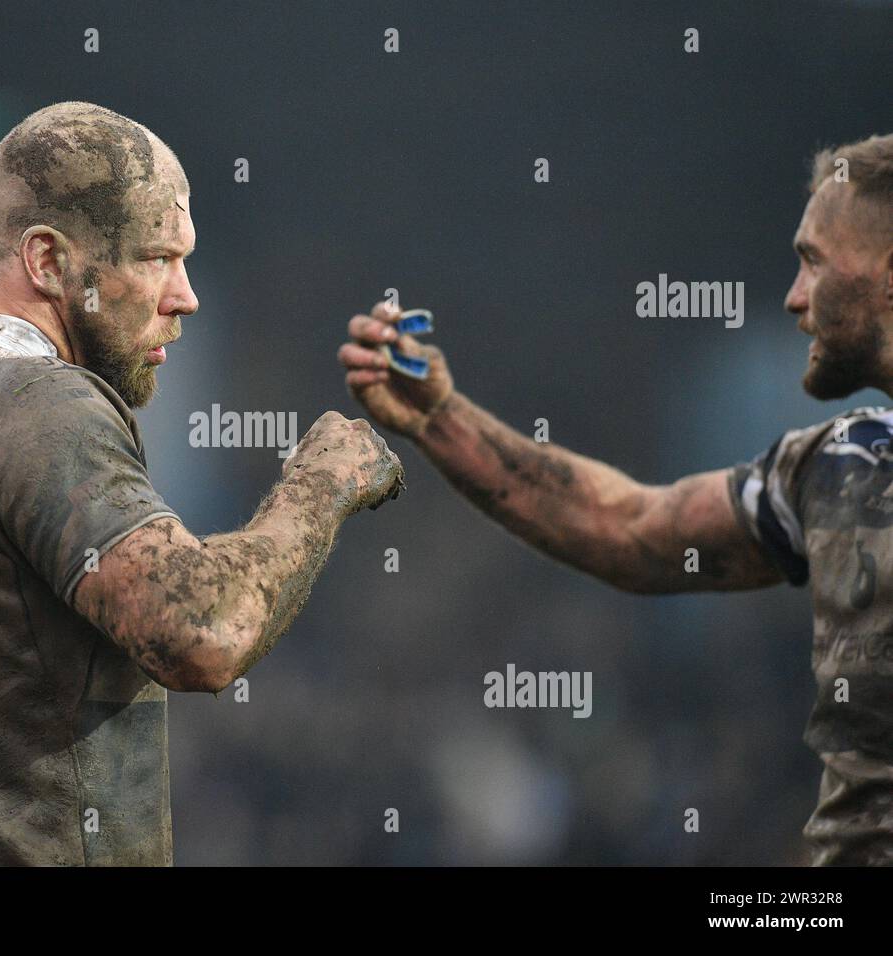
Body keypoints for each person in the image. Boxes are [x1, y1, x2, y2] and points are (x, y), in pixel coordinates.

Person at [0, 101, 403, 866]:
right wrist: (322, 482)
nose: (184, 296)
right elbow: (203, 633)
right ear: (47, 261)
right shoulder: (32, 399)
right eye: (157, 258)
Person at [338, 133, 893, 865]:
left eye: (814, 261)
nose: (795, 296)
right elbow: (631, 528)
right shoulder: (842, 468)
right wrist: (442, 421)